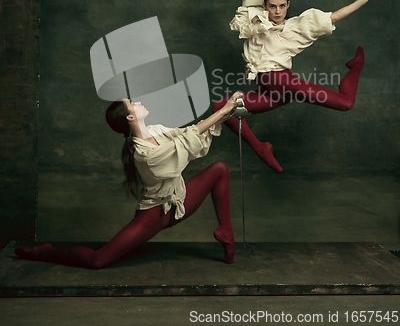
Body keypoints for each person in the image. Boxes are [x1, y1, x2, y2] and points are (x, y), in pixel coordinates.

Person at [15, 93, 242, 269]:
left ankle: (225, 229)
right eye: (132, 103)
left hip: (178, 201)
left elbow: (187, 134)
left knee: (219, 169)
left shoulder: (156, 131)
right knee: (98, 260)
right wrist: (224, 110)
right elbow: (184, 142)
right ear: (131, 117)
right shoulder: (142, 153)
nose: (138, 101)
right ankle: (44, 252)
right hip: (154, 215)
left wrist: (226, 110)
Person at [213, 0, 371, 173]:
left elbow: (333, 17)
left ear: (288, 5)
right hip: (269, 90)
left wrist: (361, 1)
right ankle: (260, 148)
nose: (277, 11)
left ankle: (356, 66)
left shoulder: (296, 27)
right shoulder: (255, 15)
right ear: (264, 4)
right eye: (272, 6)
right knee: (220, 108)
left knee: (346, 103)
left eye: (282, 6)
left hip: (281, 81)